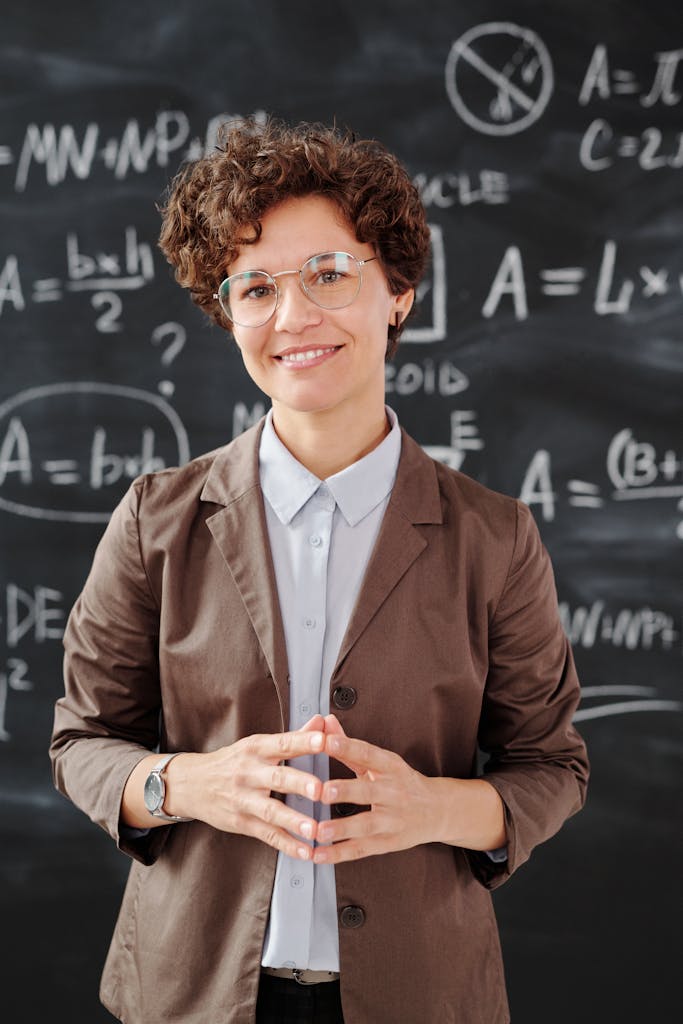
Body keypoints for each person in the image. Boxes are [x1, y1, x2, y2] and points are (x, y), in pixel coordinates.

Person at [50, 118, 589, 1024]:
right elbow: (81, 743)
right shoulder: (158, 518)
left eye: (329, 274)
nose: (293, 317)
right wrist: (188, 784)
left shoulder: (493, 537)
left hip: (420, 995)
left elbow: (551, 769)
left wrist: (432, 810)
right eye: (254, 288)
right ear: (228, 314)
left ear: (398, 292)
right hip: (192, 992)